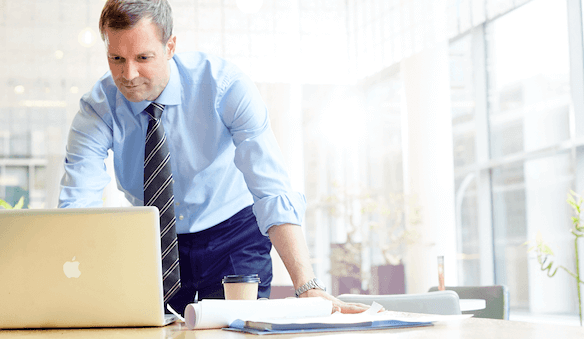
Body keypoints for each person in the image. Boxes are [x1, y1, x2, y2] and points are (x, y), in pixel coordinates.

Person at [59, 0, 368, 315]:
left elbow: (271, 187)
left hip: (234, 235)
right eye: (116, 58)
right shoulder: (99, 106)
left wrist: (307, 286)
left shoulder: (225, 86)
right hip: (157, 242)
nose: (129, 74)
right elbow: (78, 201)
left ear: (170, 47)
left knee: (236, 328)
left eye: (143, 57)